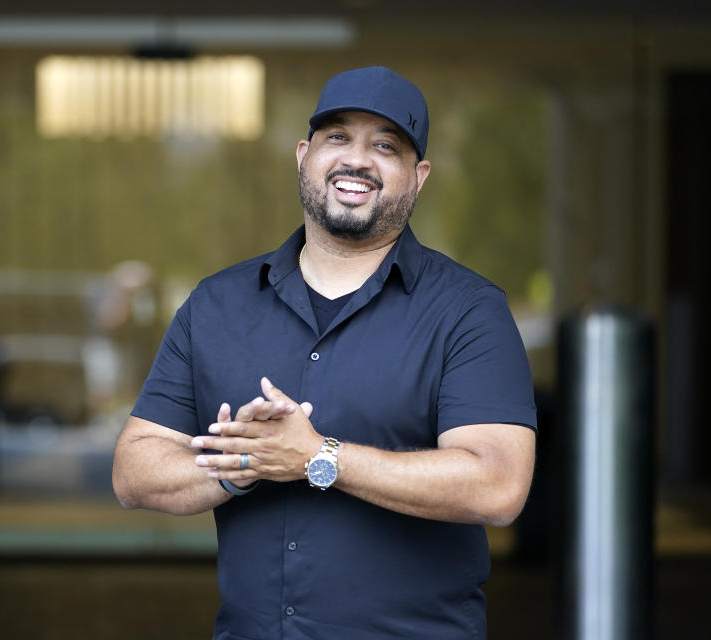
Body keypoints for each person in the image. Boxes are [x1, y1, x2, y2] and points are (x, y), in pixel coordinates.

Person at [112, 66, 537, 639]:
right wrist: (246, 463)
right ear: (304, 155)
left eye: (386, 145)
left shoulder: (467, 310)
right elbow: (134, 470)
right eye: (338, 137)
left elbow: (498, 485)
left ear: (419, 176)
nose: (357, 159)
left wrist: (320, 457)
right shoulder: (217, 305)